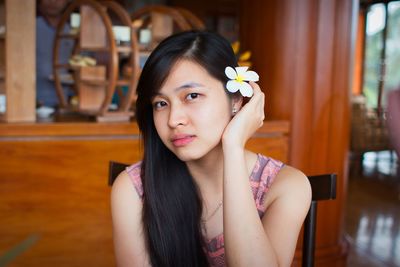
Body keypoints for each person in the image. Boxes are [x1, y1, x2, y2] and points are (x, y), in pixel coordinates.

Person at [111, 30, 311, 267]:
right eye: (161, 103)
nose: (174, 119)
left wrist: (234, 148)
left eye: (192, 95)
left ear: (236, 100)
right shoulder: (134, 189)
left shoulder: (285, 186)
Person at [36, 0, 73, 108]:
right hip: (33, 102)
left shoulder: (71, 33)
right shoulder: (29, 28)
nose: (53, 1)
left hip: (65, 103)